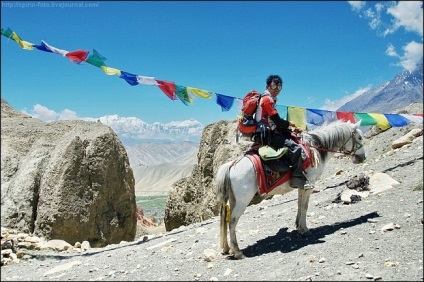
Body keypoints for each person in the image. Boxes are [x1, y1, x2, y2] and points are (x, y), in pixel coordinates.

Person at [253, 74, 308, 189]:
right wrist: (289, 124)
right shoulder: (267, 100)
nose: (277, 90)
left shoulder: (268, 99)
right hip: (267, 135)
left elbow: (273, 121)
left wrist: (290, 128)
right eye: (274, 86)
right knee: (295, 148)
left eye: (279, 87)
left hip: (267, 131)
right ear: (267, 86)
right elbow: (277, 120)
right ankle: (297, 179)